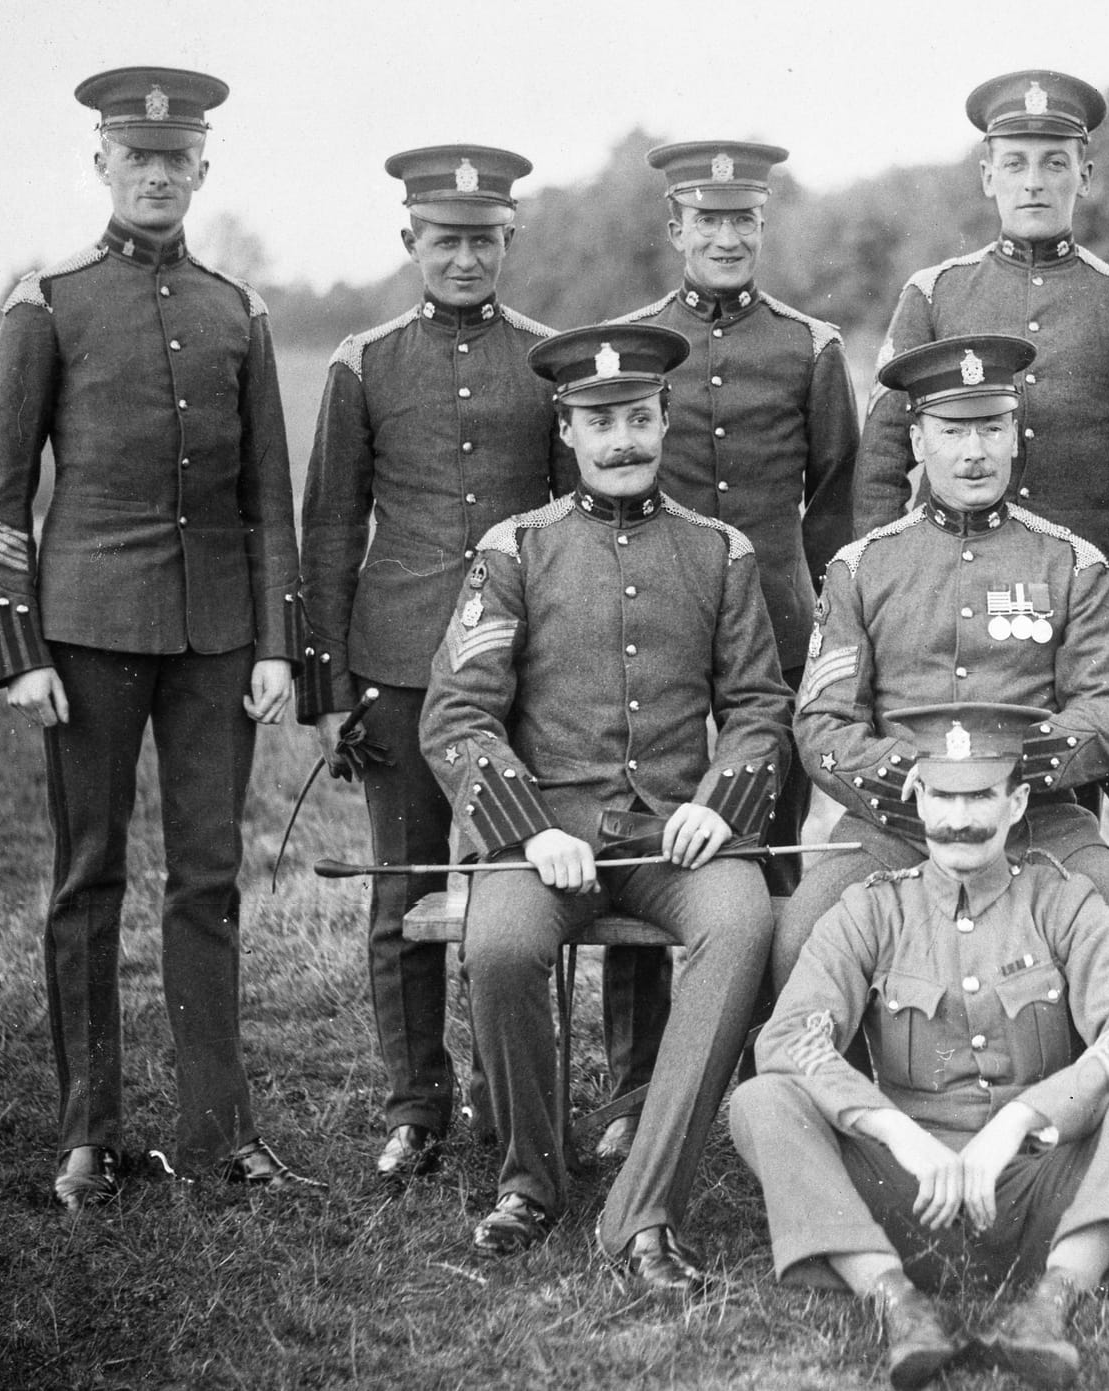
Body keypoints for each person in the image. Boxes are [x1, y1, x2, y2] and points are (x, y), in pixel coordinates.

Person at [0, 66, 317, 1208]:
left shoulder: (234, 308)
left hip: (217, 636)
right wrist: (15, 649)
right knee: (88, 876)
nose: (157, 174)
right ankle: (88, 1133)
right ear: (103, 163)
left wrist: (274, 641)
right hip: (86, 631)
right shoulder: (48, 299)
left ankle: (223, 1132)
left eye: (178, 158)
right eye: (137, 156)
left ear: (202, 169)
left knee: (207, 880)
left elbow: (271, 494)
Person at [418, 322, 787, 1285]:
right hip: (544, 838)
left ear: (666, 419)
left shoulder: (720, 552)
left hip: (678, 841)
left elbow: (757, 710)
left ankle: (646, 1202)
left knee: (743, 927)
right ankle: (531, 1178)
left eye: (637, 417)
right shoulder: (516, 550)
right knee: (500, 947)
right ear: (568, 430)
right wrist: (528, 829)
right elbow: (457, 714)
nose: (620, 439)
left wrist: (721, 802)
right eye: (599, 421)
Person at [732, 702, 1109, 1391]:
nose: (960, 818)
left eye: (981, 795)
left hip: (1041, 1194)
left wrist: (1022, 1119)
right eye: (944, 796)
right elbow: (792, 1035)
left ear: (1016, 802)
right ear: (917, 798)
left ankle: (1050, 1305)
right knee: (762, 1100)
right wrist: (892, 1129)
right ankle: (898, 1302)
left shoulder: (1063, 900)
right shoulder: (872, 907)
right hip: (903, 1202)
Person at [298, 143, 575, 1182]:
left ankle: (512, 1094)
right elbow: (328, 528)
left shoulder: (550, 359)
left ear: (509, 238)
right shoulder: (362, 363)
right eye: (442, 239)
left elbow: (564, 523)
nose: (463, 257)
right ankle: (416, 1101)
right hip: (398, 661)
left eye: (482, 238)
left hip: (519, 666)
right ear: (407, 240)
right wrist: (328, 689)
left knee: (514, 880)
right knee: (400, 887)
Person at [597, 140, 858, 1158]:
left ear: (761, 227)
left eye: (741, 220)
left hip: (778, 620)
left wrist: (831, 631)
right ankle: (632, 1086)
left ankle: (762, 1064)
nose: (724, 237)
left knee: (767, 841)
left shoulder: (808, 345)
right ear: (675, 229)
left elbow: (835, 507)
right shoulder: (634, 340)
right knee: (641, 827)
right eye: (705, 221)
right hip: (652, 620)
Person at [780, 333, 1109, 991]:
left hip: (1037, 815)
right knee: (804, 927)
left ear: (1015, 434)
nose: (974, 452)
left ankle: (1107, 1090)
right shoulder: (863, 567)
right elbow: (823, 726)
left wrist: (1001, 777)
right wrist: (921, 784)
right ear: (918, 441)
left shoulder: (1070, 563)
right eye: (952, 431)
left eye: (991, 428)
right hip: (894, 821)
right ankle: (826, 1090)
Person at [852, 70, 1109, 557]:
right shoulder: (934, 293)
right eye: (1013, 164)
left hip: (1078, 584)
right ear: (988, 176)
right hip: (946, 576)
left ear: (1084, 176)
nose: (1033, 183)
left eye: (1053, 164)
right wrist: (886, 577)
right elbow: (880, 465)